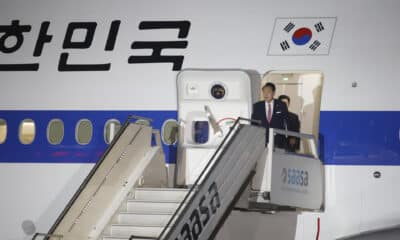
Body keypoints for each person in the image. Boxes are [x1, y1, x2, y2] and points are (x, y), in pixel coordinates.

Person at [251, 82, 288, 148]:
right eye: (264, 92)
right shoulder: (257, 106)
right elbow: (253, 124)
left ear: (273, 93)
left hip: (277, 140)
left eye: (268, 92)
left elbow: (287, 121)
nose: (266, 94)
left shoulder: (281, 105)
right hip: (261, 140)